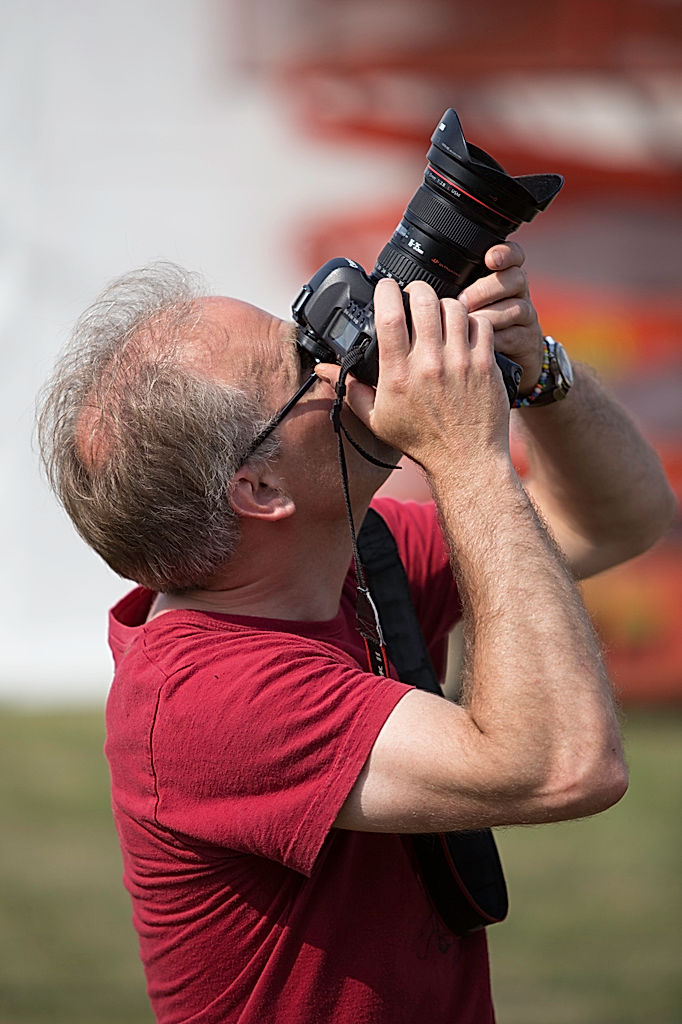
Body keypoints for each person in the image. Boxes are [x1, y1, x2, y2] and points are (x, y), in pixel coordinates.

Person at [37, 243, 675, 1024]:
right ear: (260, 487)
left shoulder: (354, 556)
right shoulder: (202, 699)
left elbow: (618, 519)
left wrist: (534, 370)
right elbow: (566, 764)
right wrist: (465, 456)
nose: (347, 361)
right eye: (309, 358)